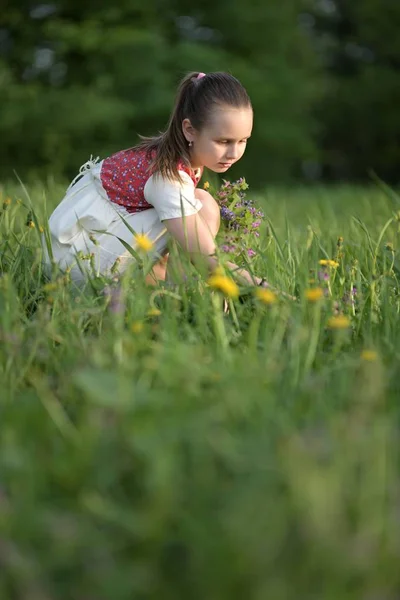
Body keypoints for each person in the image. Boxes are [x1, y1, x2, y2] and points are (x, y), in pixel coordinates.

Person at [43, 71, 267, 288]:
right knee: (202, 207)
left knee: (197, 209)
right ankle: (178, 292)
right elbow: (204, 255)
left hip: (94, 250)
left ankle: (172, 293)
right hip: (77, 264)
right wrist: (261, 287)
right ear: (189, 130)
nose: (234, 153)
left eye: (242, 141)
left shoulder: (183, 157)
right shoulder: (168, 177)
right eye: (223, 141)